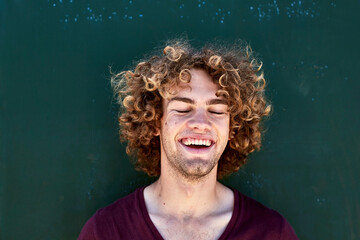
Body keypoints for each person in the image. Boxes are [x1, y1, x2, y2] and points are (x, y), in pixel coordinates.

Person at [78, 39, 298, 240]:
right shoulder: (105, 231)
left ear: (233, 128)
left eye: (217, 111)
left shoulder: (272, 233)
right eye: (182, 109)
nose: (200, 122)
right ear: (155, 120)